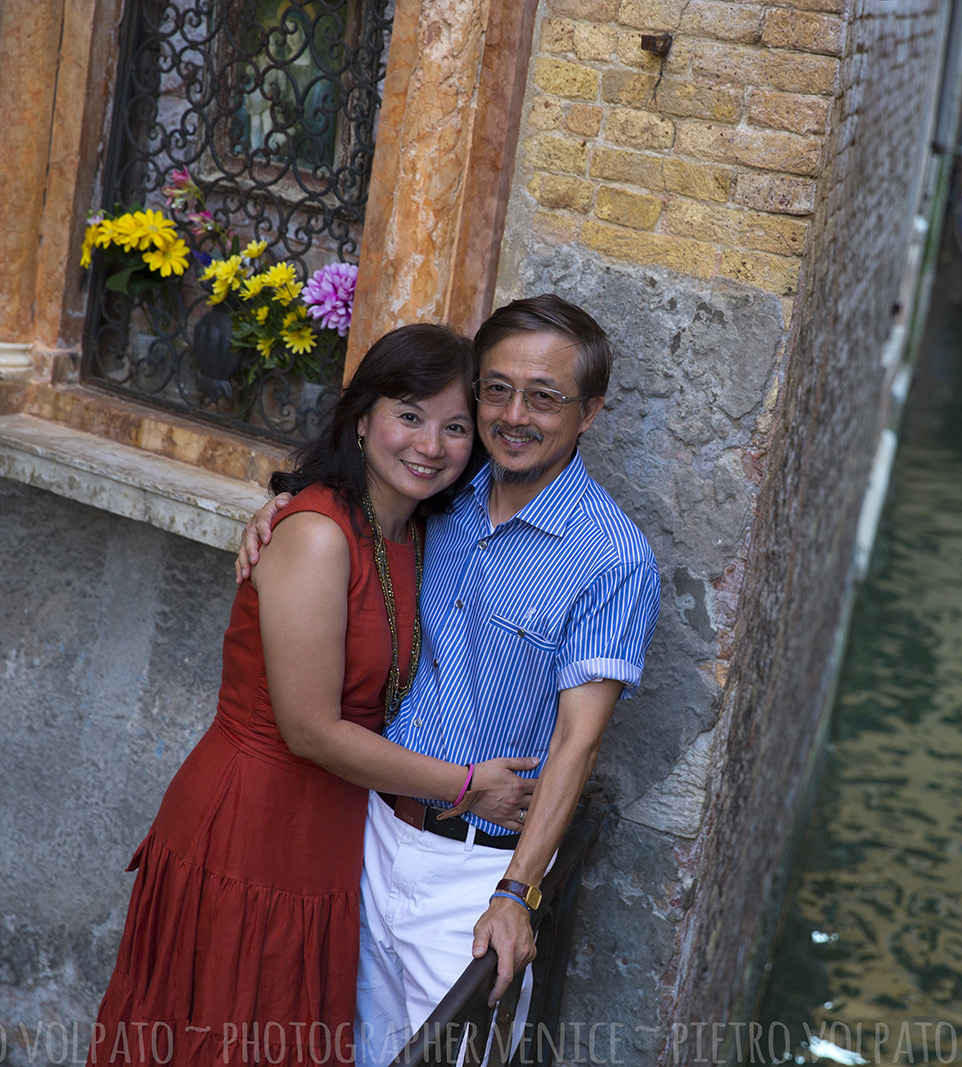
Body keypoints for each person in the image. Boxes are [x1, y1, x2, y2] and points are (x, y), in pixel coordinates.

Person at [90, 324, 540, 1067]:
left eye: (456, 426)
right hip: (251, 820)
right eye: (409, 414)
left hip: (330, 834)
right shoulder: (319, 534)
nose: (430, 444)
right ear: (362, 417)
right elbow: (309, 729)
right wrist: (466, 786)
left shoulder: (421, 529)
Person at [237, 295, 660, 1064]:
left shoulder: (613, 557)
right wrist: (281, 508)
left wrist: (516, 894)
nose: (514, 415)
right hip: (367, 838)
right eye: (496, 390)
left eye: (545, 396)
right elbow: (351, 507)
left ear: (589, 412)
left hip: (475, 872)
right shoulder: (445, 494)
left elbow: (578, 741)